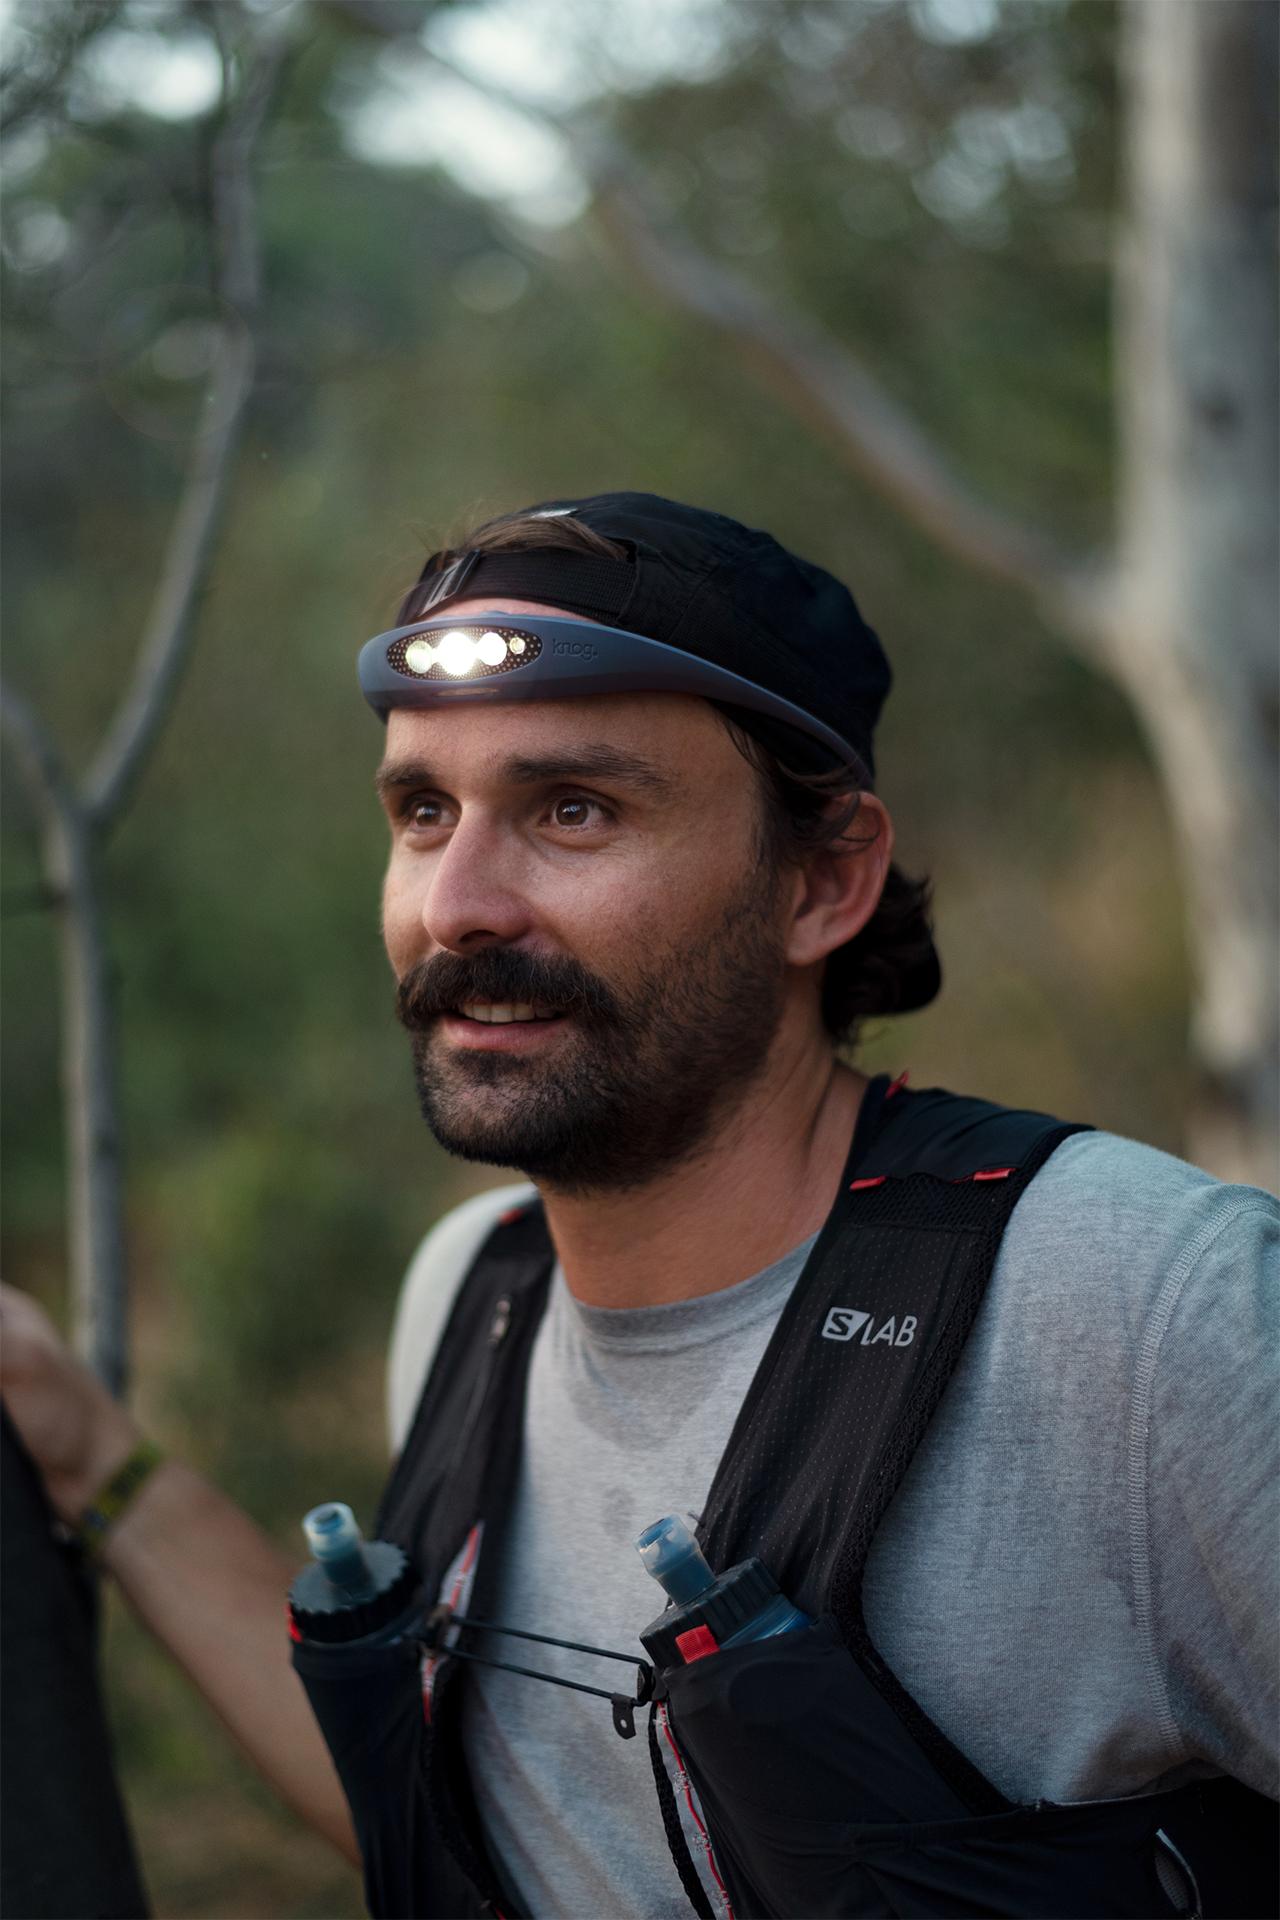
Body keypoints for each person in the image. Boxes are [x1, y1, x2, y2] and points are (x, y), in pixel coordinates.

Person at [1, 492, 1275, 1920]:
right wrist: (92, 1457)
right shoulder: (476, 1294)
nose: (459, 905)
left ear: (823, 880)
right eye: (424, 812)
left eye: (574, 810)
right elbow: (484, 1822)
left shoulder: (1135, 1302)